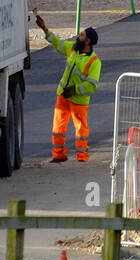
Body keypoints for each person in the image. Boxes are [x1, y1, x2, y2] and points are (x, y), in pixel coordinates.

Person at [35, 15, 102, 163]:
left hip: (78, 100)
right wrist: (44, 29)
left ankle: (82, 157)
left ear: (88, 41)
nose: (79, 36)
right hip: (63, 96)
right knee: (58, 127)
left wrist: (74, 89)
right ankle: (58, 156)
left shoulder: (94, 61)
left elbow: (92, 85)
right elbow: (58, 43)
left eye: (82, 35)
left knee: (81, 130)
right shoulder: (73, 48)